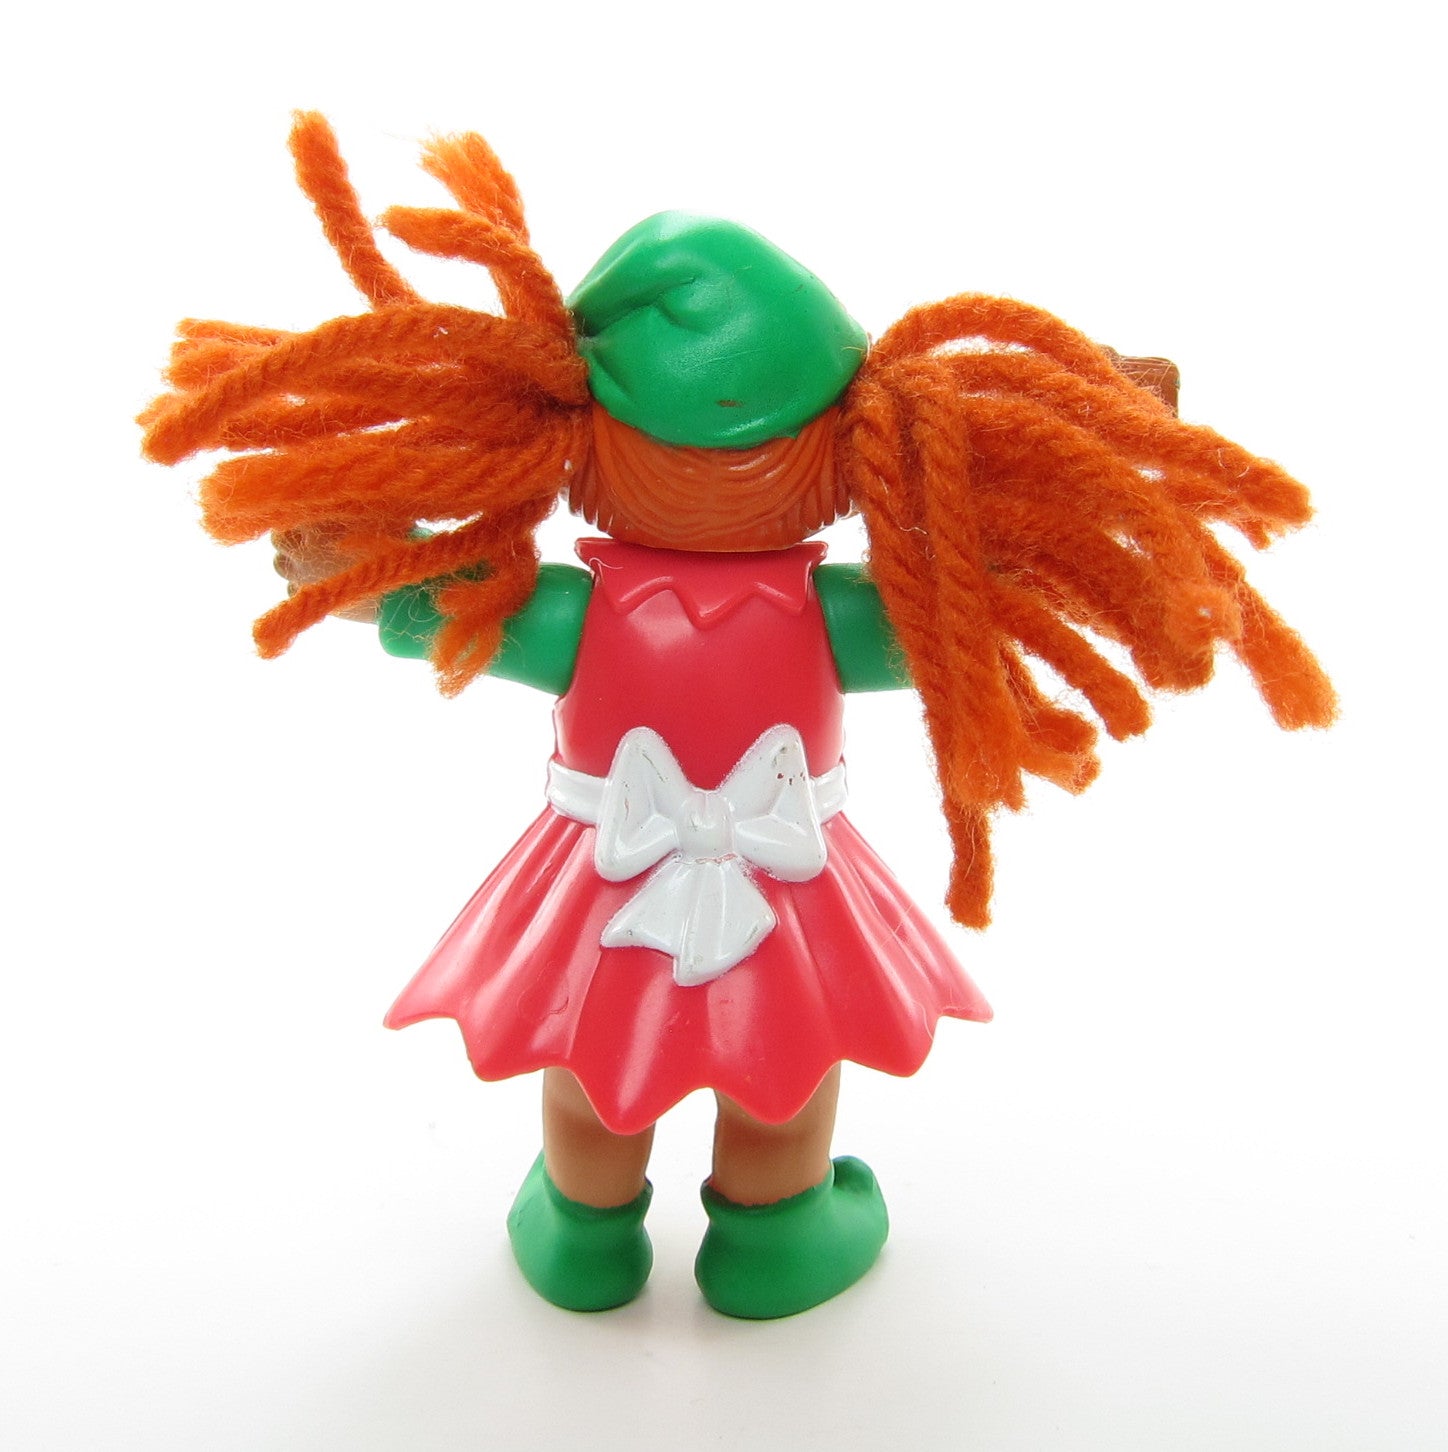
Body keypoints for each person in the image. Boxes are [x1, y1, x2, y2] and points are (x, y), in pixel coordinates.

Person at [142, 113, 1334, 1319]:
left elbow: (447, 610)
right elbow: (956, 610)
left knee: (590, 1061)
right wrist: (1077, 484)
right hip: (785, 874)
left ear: (571, 433)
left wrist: (374, 571)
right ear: (852, 441)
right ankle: (774, 1240)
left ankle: (582, 1234)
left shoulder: (583, 613)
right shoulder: (828, 615)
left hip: (601, 872)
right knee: (782, 1071)